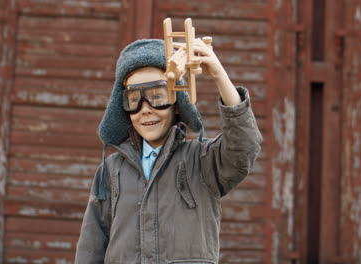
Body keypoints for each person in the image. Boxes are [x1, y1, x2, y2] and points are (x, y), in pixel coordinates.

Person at [75, 38, 262, 263]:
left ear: (177, 102)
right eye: (134, 100)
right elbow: (90, 247)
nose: (146, 110)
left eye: (157, 97)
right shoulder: (111, 171)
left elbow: (244, 148)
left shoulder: (203, 161)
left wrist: (218, 74)